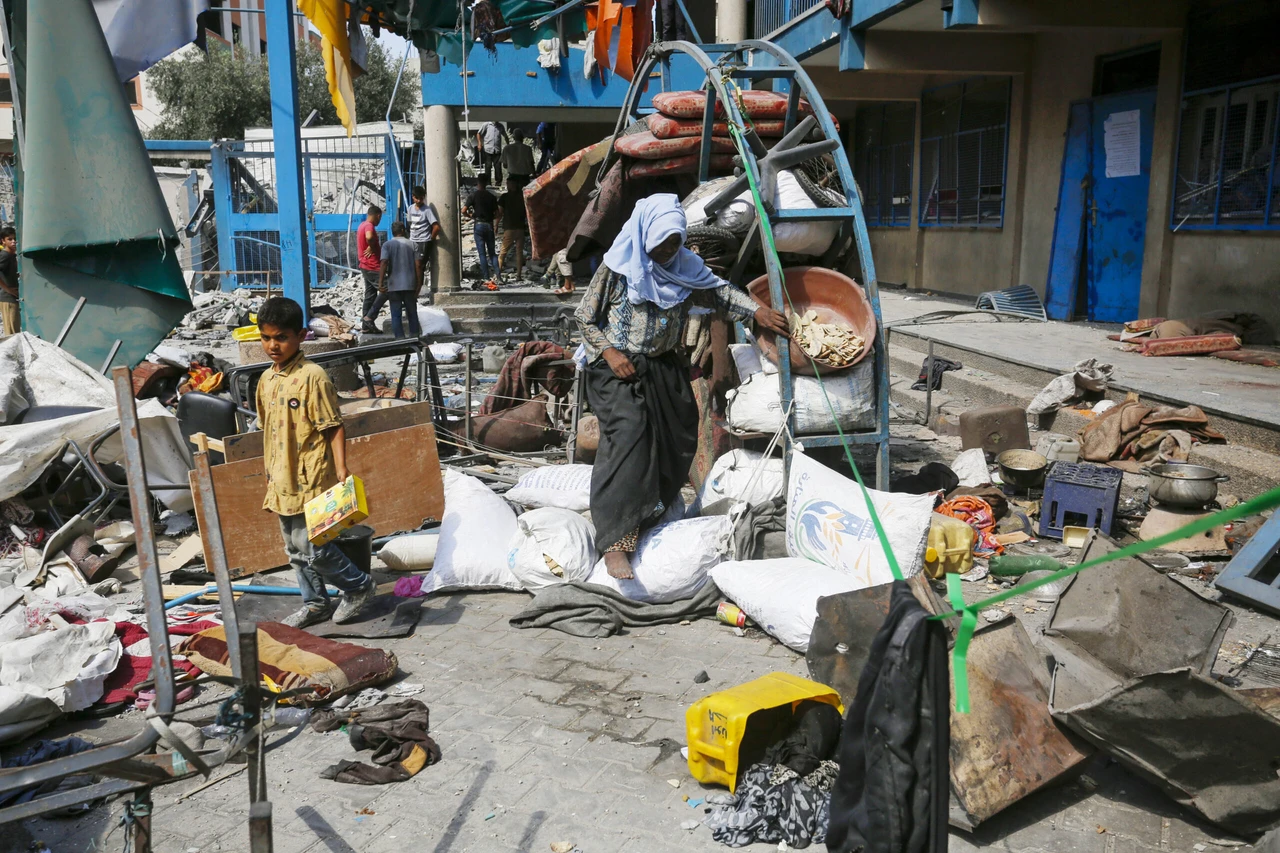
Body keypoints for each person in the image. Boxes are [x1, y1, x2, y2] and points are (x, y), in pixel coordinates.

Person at [574, 194, 789, 579]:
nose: (668, 249)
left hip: (662, 367)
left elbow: (719, 293)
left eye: (674, 241)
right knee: (629, 436)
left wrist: (758, 311)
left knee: (678, 437)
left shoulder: (685, 269)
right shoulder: (618, 267)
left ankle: (648, 514)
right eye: (661, 242)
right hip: (616, 368)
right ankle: (615, 541)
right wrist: (609, 354)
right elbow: (584, 318)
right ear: (645, 235)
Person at [255, 296, 375, 627]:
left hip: (311, 476)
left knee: (314, 546)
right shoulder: (266, 380)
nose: (273, 345)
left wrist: (341, 469)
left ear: (301, 336)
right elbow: (267, 430)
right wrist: (269, 472)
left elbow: (333, 427)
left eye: (281, 337)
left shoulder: (313, 376)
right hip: (281, 478)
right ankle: (315, 603)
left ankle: (359, 586)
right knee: (293, 550)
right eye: (266, 337)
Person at [377, 222, 422, 339]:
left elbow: (384, 263)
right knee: (412, 313)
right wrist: (419, 283)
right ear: (403, 230)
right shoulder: (413, 245)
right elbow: (418, 265)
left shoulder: (387, 245)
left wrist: (381, 282)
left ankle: (400, 339)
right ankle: (414, 337)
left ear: (393, 231)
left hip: (394, 285)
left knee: (396, 314)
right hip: (410, 284)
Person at [406, 186, 441, 299]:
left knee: (419, 265)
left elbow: (436, 227)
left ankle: (416, 292)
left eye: (421, 198)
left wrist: (430, 238)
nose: (419, 201)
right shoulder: (410, 208)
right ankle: (412, 289)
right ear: (413, 197)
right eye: (417, 198)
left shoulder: (427, 210)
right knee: (412, 266)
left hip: (423, 242)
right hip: (413, 240)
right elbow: (410, 224)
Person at [464, 176, 500, 284]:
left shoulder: (473, 196)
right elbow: (497, 214)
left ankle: (486, 277)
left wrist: (471, 216)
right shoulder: (491, 197)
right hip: (488, 225)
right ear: (486, 183)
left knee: (482, 254)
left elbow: (463, 210)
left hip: (478, 225)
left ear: (477, 183)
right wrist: (491, 219)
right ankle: (498, 276)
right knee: (492, 253)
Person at [356, 205, 383, 333]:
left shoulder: (362, 225)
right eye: (380, 218)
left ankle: (365, 327)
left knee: (370, 295)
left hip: (365, 265)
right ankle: (369, 317)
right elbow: (369, 237)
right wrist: (372, 246)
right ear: (378, 215)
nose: (379, 221)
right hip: (372, 266)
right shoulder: (369, 226)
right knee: (387, 290)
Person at [497, 183, 528, 281]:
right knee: (519, 253)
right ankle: (518, 276)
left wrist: (495, 224)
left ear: (510, 186)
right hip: (520, 229)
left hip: (509, 228)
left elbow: (500, 212)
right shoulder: (522, 198)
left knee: (503, 252)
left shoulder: (504, 197)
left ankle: (498, 275)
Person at [0, 226, 18, 336]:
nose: (13, 242)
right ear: (3, 241)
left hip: (13, 298)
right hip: (8, 299)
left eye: (14, 239)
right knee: (12, 335)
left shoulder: (11, 255)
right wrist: (9, 290)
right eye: (9, 239)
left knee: (15, 332)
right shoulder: (5, 255)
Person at [477, 120, 506, 185]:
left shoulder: (500, 126)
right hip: (488, 150)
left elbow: (505, 135)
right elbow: (478, 133)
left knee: (498, 167)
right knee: (488, 167)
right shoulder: (486, 125)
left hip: (497, 150)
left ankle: (498, 183)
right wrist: (479, 143)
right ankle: (488, 184)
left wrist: (508, 144)